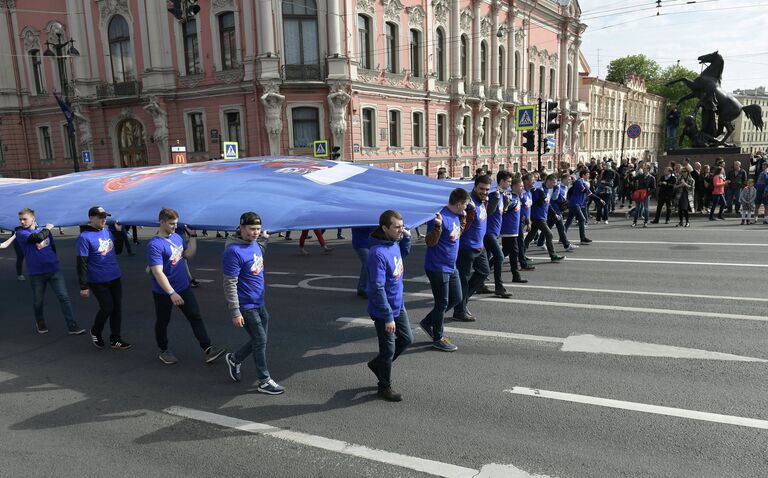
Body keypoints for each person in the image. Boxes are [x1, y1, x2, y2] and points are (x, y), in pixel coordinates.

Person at [147, 208, 225, 365]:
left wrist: (193, 237)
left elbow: (188, 255)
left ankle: (208, 349)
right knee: (163, 321)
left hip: (183, 287)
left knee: (195, 316)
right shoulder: (155, 245)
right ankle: (164, 350)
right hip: (164, 292)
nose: (175, 227)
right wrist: (171, 293)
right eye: (171, 224)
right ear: (161, 222)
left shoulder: (176, 237)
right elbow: (158, 273)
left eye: (176, 223)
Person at [223, 212, 285, 395]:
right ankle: (264, 380)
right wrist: (235, 311)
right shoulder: (233, 251)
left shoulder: (255, 244)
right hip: (245, 305)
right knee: (260, 340)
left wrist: (265, 240)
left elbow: (257, 254)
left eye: (258, 229)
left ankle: (234, 359)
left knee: (260, 339)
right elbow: (229, 283)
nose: (255, 232)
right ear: (241, 228)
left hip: (259, 301)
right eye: (251, 229)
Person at [11, 208, 83, 335]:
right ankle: (40, 321)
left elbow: (52, 246)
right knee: (38, 300)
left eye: (25, 219)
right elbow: (37, 238)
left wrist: (53, 260)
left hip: (53, 270)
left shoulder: (44, 231)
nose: (22, 222)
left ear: (33, 218)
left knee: (64, 297)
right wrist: (48, 228)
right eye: (20, 219)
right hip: (36, 273)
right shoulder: (21, 233)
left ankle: (71, 324)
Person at [365, 210, 412, 401]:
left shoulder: (394, 243)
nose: (401, 230)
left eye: (402, 225)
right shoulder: (377, 254)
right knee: (388, 350)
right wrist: (388, 316)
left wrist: (406, 239)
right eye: (397, 227)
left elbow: (403, 254)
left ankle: (379, 365)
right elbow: (377, 287)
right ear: (385, 228)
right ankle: (384, 386)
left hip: (398, 304)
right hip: (384, 310)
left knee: (407, 338)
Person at [420, 188, 469, 353]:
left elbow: (455, 235)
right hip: (437, 267)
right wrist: (437, 227)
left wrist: (463, 220)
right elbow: (430, 242)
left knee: (457, 298)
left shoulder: (456, 215)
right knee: (442, 303)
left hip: (451, 266)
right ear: (458, 203)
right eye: (465, 206)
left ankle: (428, 321)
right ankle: (438, 338)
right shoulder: (439, 217)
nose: (466, 208)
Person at [77, 207, 130, 348]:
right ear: (91, 218)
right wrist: (83, 285)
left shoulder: (107, 232)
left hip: (114, 275)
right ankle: (96, 330)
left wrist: (118, 234)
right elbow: (82, 262)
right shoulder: (84, 237)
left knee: (117, 308)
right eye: (100, 216)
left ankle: (115, 339)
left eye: (105, 216)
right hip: (97, 279)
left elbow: (117, 250)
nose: (103, 219)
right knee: (107, 307)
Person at [452, 175, 491, 322]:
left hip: (479, 246)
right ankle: (459, 311)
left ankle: (462, 301)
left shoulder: (483, 201)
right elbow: (461, 223)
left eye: (487, 189)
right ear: (475, 187)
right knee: (464, 280)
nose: (484, 192)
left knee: (484, 272)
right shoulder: (468, 203)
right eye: (481, 189)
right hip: (466, 247)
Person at [479, 171, 513, 298]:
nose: (509, 184)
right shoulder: (494, 194)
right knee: (499, 257)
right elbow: (489, 212)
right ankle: (499, 287)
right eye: (508, 181)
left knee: (487, 259)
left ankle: (480, 285)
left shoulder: (501, 195)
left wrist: (506, 204)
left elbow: (500, 213)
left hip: (495, 231)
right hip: (489, 232)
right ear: (502, 181)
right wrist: (498, 198)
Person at [525, 174, 566, 262]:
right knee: (549, 234)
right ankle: (553, 255)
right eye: (553, 182)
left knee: (530, 236)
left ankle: (521, 253)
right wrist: (541, 198)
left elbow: (547, 203)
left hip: (542, 216)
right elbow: (532, 202)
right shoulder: (539, 190)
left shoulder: (547, 190)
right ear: (548, 181)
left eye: (555, 182)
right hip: (537, 216)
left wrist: (554, 213)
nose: (554, 184)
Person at [500, 178, 527, 284]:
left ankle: (487, 267)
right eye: (521, 186)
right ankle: (516, 275)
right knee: (514, 252)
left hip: (514, 230)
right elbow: (504, 210)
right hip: (508, 230)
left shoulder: (517, 197)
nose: (523, 188)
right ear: (514, 187)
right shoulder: (510, 197)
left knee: (505, 252)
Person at [565, 169, 603, 242]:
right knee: (582, 219)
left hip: (577, 204)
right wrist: (587, 188)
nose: (589, 176)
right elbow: (584, 190)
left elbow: (590, 194)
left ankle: (562, 237)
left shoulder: (584, 183)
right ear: (583, 175)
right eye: (587, 174)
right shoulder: (579, 182)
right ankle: (582, 238)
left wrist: (599, 199)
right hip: (574, 203)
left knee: (569, 221)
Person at [351, 226, 375, 298]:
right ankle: (363, 288)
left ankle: (362, 288)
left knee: (367, 265)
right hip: (360, 243)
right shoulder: (359, 217)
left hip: (368, 243)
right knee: (368, 263)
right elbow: (364, 228)